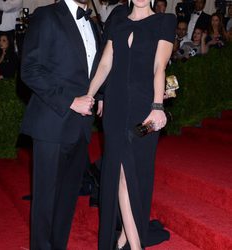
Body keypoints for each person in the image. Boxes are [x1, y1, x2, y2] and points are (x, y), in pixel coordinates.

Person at [79, 0, 176, 249]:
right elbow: (104, 64)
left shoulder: (164, 21)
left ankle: (129, 239)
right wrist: (89, 95)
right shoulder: (118, 20)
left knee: (135, 172)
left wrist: (157, 107)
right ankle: (132, 242)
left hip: (144, 109)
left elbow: (159, 66)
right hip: (115, 106)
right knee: (119, 172)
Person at [20, 0, 101, 249]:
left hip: (81, 127)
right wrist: (69, 102)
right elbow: (30, 69)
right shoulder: (47, 16)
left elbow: (94, 71)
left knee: (67, 201)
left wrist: (102, 97)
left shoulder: (93, 24)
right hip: (51, 123)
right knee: (45, 202)